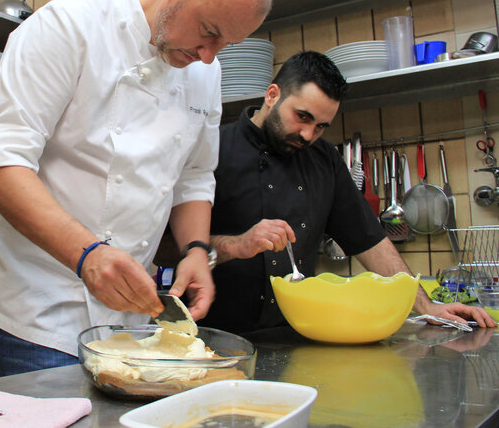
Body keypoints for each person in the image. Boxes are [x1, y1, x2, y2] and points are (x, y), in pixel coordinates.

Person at [0, 0, 276, 376]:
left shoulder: (206, 72)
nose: (208, 57)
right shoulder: (69, 25)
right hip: (36, 303)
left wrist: (195, 251)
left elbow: (194, 175)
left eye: (226, 44)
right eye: (208, 31)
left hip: (128, 312)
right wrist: (87, 254)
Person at [192, 51, 496, 334]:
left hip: (298, 336)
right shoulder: (211, 148)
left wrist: (425, 306)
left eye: (321, 126)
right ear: (272, 95)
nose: (308, 135)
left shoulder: (324, 159)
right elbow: (171, 248)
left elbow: (370, 240)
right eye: (303, 116)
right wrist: (237, 245)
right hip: (211, 338)